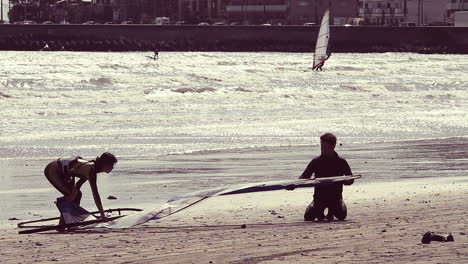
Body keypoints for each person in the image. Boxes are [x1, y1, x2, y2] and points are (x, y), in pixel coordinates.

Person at [44, 152, 118, 226]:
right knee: (74, 195)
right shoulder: (91, 170)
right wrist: (102, 215)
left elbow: (78, 185)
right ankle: (63, 223)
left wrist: (73, 194)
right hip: (53, 170)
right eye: (112, 165)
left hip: (65, 173)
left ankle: (66, 222)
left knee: (76, 195)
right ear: (106, 164)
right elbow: (95, 195)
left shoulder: (93, 168)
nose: (113, 167)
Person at [299, 133, 353, 221]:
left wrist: (344, 181)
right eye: (321, 146)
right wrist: (293, 184)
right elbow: (304, 176)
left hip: (336, 198)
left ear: (333, 146)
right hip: (319, 198)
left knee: (341, 216)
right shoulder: (316, 161)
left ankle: (331, 212)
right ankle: (319, 210)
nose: (322, 149)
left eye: (325, 147)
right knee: (308, 217)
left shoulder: (341, 162)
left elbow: (350, 180)